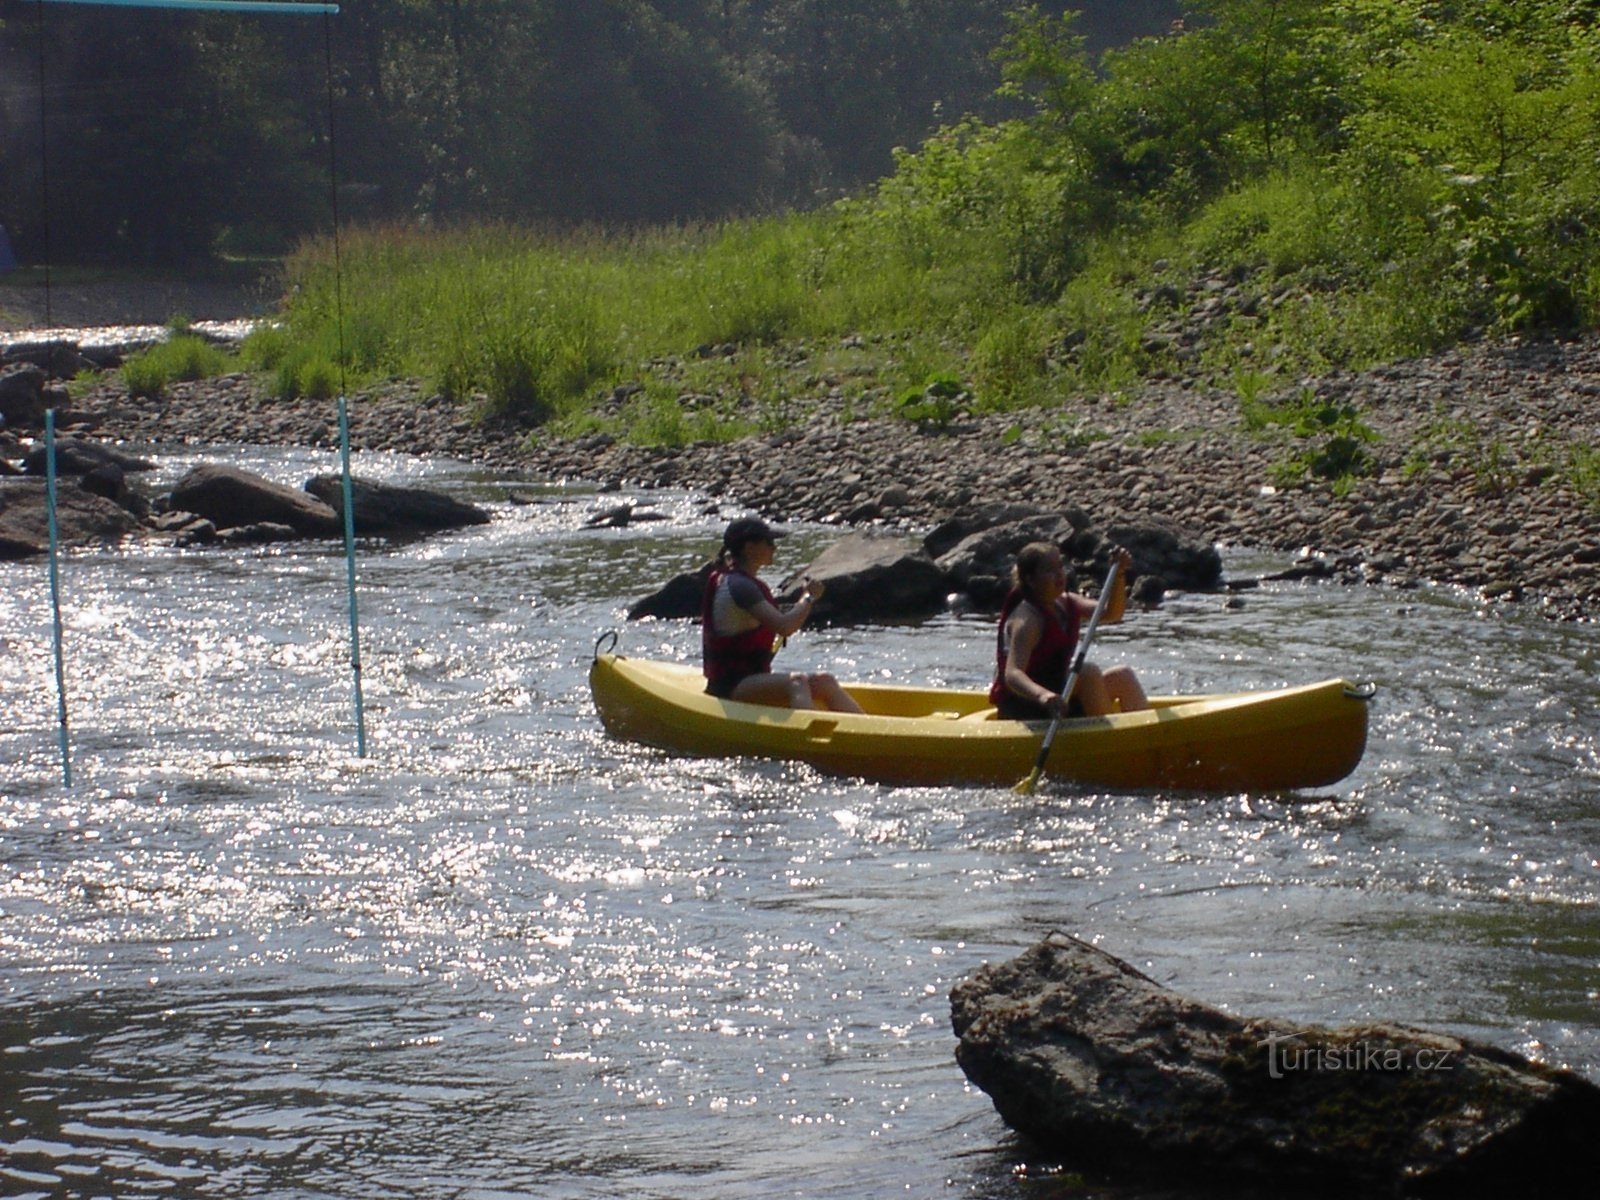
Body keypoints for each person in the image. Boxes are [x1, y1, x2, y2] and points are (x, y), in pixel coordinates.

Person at [702, 516, 863, 712]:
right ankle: (807, 739)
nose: (774, 548)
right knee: (797, 682)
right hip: (728, 685)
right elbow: (785, 627)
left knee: (825, 682)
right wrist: (809, 598)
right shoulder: (740, 586)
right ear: (748, 547)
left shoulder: (741, 581)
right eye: (768, 542)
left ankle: (869, 732)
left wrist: (803, 601)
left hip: (749, 678)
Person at [990, 541, 1148, 720]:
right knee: (1086, 673)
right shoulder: (1027, 620)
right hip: (1029, 707)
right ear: (1031, 580)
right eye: (1050, 570)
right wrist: (1043, 696)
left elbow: (1112, 613)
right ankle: (1113, 738)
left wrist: (1119, 574)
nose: (1059, 575)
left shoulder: (1066, 602)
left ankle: (1144, 734)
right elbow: (1013, 674)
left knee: (1122, 676)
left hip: (1059, 696)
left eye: (1060, 567)